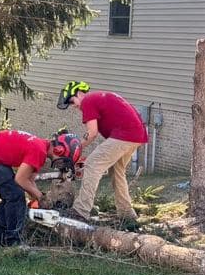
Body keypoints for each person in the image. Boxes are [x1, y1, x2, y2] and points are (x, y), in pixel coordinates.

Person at [56, 81, 148, 226]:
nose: (73, 106)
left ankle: (80, 211)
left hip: (124, 135)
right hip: (136, 135)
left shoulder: (88, 101)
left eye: (72, 101)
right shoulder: (98, 98)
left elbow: (92, 133)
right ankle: (127, 214)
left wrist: (75, 149)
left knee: (92, 164)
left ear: (79, 93)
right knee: (116, 171)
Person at [0, 129, 81, 246]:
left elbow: (29, 180)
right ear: (59, 149)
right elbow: (20, 179)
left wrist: (39, 199)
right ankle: (13, 241)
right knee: (16, 196)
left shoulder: (40, 147)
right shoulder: (39, 151)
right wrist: (41, 197)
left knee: (10, 197)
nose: (62, 165)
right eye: (64, 161)